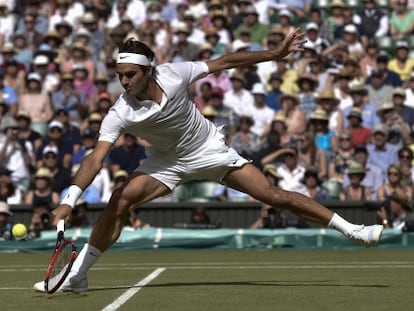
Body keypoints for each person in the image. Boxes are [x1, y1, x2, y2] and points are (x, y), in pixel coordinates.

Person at [34, 32, 384, 293]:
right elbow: (96, 158)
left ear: (149, 71)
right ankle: (77, 276)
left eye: (130, 75)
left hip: (209, 151)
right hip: (166, 162)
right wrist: (69, 201)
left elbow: (227, 61)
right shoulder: (119, 111)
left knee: (274, 195)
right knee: (119, 199)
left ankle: (353, 230)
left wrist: (275, 54)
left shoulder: (175, 74)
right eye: (120, 75)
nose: (124, 82)